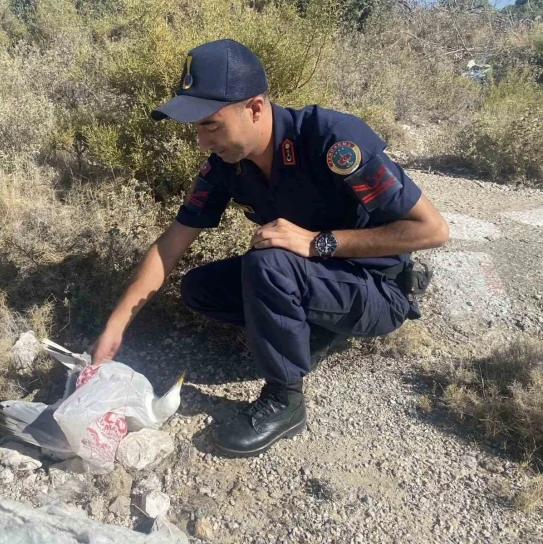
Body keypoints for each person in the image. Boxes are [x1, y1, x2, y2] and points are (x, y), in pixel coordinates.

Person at [89, 39, 449, 458]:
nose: (203, 142)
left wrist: (320, 243)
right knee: (199, 288)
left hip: (377, 289)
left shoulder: (332, 141)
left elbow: (433, 230)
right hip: (313, 281)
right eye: (197, 128)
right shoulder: (226, 165)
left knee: (268, 263)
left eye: (211, 124)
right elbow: (171, 244)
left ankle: (285, 400)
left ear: (255, 108)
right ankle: (306, 335)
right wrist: (115, 328)